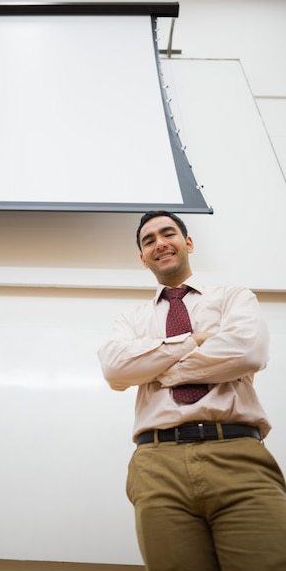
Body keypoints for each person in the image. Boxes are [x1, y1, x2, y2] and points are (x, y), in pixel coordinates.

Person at [98, 210, 286, 571]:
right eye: (148, 240)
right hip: (156, 463)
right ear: (142, 257)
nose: (159, 243)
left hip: (237, 454)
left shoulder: (233, 296)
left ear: (188, 243)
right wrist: (196, 340)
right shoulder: (130, 319)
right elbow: (115, 369)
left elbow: (248, 351)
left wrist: (160, 367)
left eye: (168, 233)